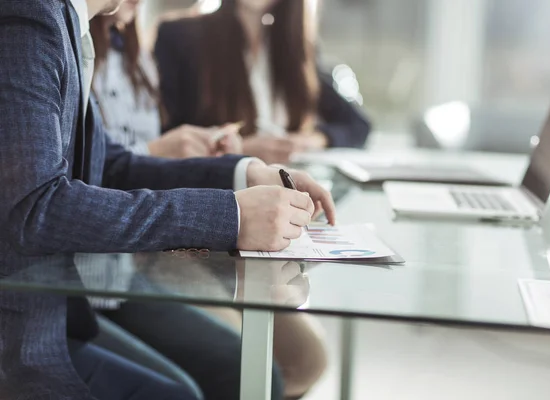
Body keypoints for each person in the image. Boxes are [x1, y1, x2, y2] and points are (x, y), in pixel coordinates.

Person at [0, 0, 335, 399]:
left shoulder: (65, 23)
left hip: (59, 313)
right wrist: (231, 216)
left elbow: (112, 166)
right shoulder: (31, 18)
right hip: (22, 334)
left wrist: (242, 174)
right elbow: (35, 209)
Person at [155, 0, 372, 165]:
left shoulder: (296, 49)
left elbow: (357, 125)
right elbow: (169, 139)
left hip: (291, 187)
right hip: (223, 193)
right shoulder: (180, 36)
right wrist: (240, 149)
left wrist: (308, 141)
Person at [90, 0, 243, 158]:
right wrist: (155, 151)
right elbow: (87, 167)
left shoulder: (140, 61)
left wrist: (201, 145)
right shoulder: (75, 57)